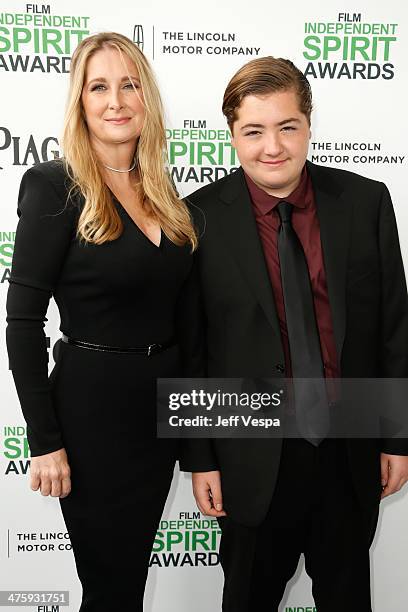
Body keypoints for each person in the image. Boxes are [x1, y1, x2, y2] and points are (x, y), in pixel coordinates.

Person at [180, 56, 408, 611]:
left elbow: (393, 328)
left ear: (309, 124)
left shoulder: (365, 201)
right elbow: (192, 346)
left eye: (288, 126)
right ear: (232, 134)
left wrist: (397, 438)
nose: (272, 147)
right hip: (250, 457)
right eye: (253, 131)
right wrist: (201, 458)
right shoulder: (197, 218)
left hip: (348, 448)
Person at [6, 32, 202, 612]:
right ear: (80, 101)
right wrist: (44, 443)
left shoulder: (166, 194)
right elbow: (22, 323)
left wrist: (195, 436)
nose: (115, 100)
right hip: (92, 418)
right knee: (110, 587)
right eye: (99, 87)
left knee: (129, 580)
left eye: (129, 84)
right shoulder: (53, 187)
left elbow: (187, 321)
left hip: (158, 412)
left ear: (147, 98)